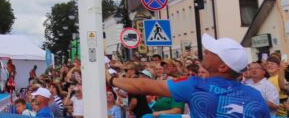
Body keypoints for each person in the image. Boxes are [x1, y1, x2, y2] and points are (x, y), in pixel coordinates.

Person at [110, 35, 269, 118]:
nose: (205, 52)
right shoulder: (255, 96)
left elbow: (143, 86)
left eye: (211, 52)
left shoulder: (195, 85)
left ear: (222, 67)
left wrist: (110, 79)